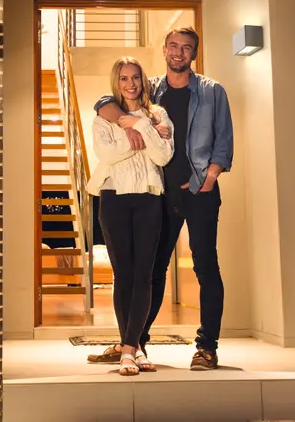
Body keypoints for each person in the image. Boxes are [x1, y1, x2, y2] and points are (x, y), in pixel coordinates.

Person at [87, 27, 233, 371]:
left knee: (206, 267)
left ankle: (206, 347)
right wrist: (130, 123)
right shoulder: (152, 89)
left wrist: (210, 177)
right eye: (174, 46)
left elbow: (224, 140)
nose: (179, 52)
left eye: (186, 47)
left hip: (199, 191)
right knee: (152, 270)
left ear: (194, 53)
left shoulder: (212, 91)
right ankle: (134, 342)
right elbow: (105, 101)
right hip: (161, 194)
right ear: (165, 50)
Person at [85, 57, 174, 376]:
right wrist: (138, 134)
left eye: (135, 77)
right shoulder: (104, 116)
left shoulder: (158, 114)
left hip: (149, 197)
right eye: (124, 78)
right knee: (123, 274)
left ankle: (131, 347)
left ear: (143, 80)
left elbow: (163, 156)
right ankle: (130, 348)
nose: (131, 84)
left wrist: (142, 126)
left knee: (144, 275)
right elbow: (106, 154)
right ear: (117, 82)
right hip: (114, 198)